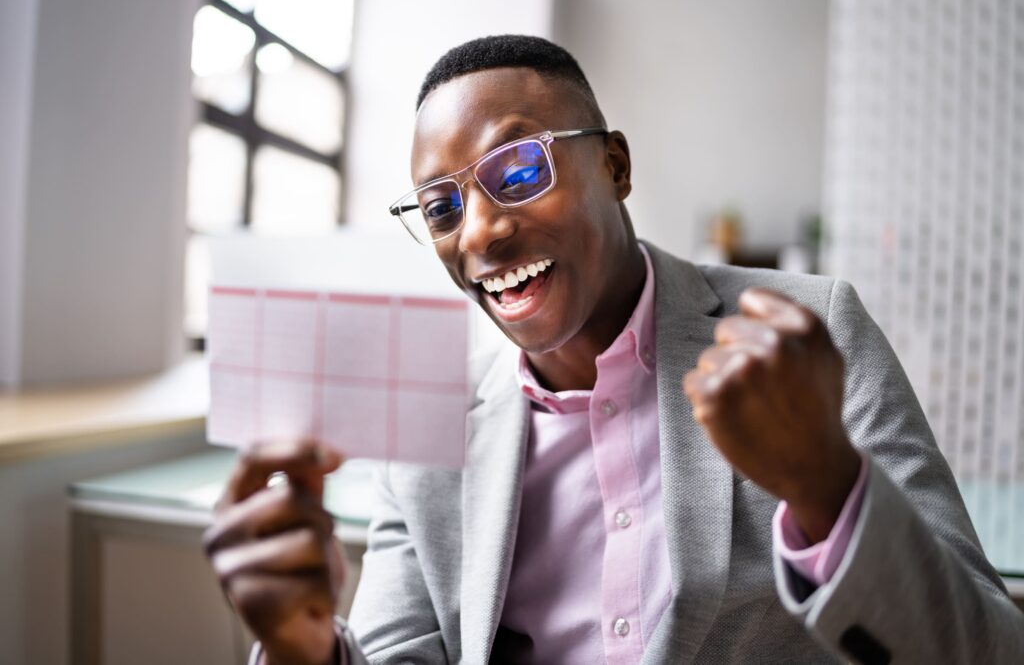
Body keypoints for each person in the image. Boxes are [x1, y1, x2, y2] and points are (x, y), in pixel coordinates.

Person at [203, 35, 1024, 664]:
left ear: (615, 164)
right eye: (441, 207)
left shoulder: (808, 328)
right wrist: (304, 649)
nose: (481, 231)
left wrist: (827, 488)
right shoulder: (434, 425)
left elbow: (987, 646)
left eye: (519, 169)